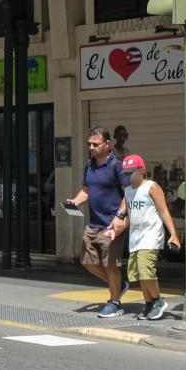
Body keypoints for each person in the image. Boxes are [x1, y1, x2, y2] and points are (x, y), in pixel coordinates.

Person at [65, 126, 129, 319]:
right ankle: (119, 285)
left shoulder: (116, 165)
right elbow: (86, 190)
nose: (92, 148)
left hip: (111, 224)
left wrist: (120, 215)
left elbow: (129, 193)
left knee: (111, 265)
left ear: (107, 144)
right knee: (87, 261)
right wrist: (75, 201)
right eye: (89, 144)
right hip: (93, 223)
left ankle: (115, 302)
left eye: (96, 144)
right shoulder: (89, 166)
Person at [119, 154, 179, 320]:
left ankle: (158, 300)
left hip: (150, 235)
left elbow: (163, 210)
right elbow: (131, 215)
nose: (129, 175)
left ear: (142, 170)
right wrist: (118, 228)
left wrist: (173, 234)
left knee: (146, 270)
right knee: (138, 273)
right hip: (135, 238)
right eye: (126, 172)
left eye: (132, 171)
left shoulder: (151, 187)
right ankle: (149, 304)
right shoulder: (128, 191)